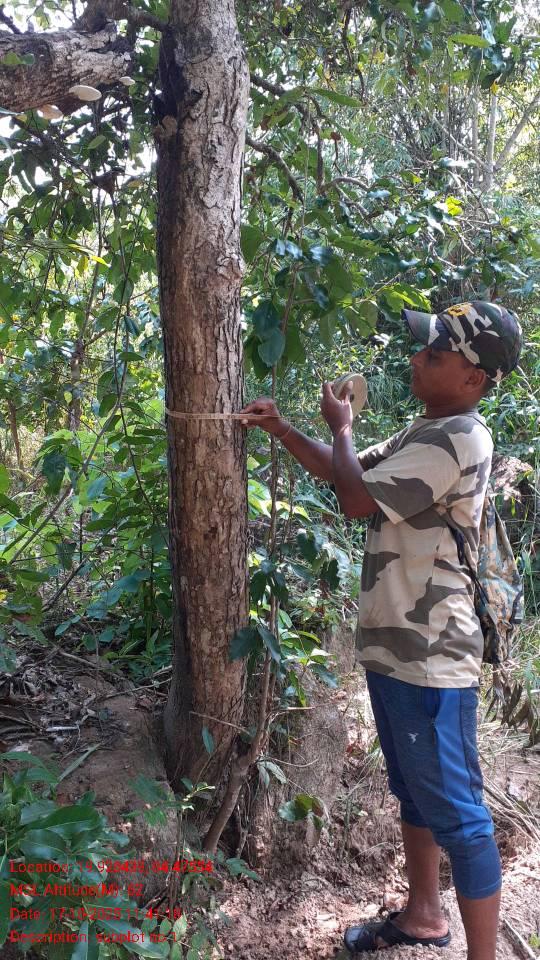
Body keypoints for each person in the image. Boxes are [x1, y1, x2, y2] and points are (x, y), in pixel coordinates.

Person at [239, 301, 522, 960]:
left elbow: (355, 499)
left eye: (434, 354)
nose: (416, 359)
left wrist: (342, 425)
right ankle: (424, 916)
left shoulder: (459, 439)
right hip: (398, 648)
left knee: (461, 816)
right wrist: (284, 429)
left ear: (473, 378)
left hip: (431, 657)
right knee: (415, 793)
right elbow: (348, 472)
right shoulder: (426, 430)